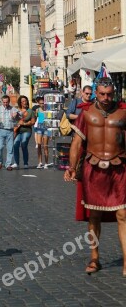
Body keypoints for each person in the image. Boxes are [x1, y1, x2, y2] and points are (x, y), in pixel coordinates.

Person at [64, 78, 126, 276]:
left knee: (123, 214)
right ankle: (94, 258)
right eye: (102, 94)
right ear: (96, 93)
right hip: (94, 168)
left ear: (114, 93)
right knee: (95, 215)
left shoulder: (124, 112)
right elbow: (76, 143)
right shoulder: (86, 113)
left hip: (119, 168)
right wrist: (71, 167)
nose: (106, 98)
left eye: (109, 94)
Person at [0, 95, 19, 171]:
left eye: (7, 102)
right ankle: (0, 161)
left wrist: (16, 115)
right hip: (0, 130)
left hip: (10, 130)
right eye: (4, 102)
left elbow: (20, 116)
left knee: (10, 148)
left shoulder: (13, 109)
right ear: (2, 101)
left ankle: (8, 164)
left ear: (9, 101)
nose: (5, 104)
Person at [13, 96, 35, 169]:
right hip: (18, 131)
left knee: (23, 144)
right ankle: (16, 163)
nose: (24, 102)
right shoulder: (17, 111)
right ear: (20, 103)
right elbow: (14, 120)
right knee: (15, 145)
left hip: (27, 130)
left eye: (25, 101)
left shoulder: (30, 111)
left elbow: (33, 122)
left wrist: (24, 124)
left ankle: (25, 163)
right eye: (22, 101)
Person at [33, 96, 52, 169]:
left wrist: (50, 134)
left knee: (45, 146)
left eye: (43, 103)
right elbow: (36, 119)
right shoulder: (37, 110)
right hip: (39, 128)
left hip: (46, 128)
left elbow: (50, 121)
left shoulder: (48, 110)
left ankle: (46, 163)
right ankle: (40, 162)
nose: (42, 105)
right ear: (38, 103)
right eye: (40, 103)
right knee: (39, 145)